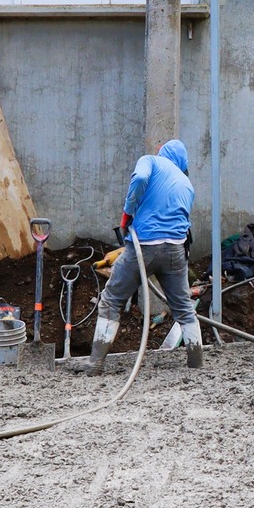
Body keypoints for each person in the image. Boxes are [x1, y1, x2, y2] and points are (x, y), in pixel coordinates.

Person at [85, 138, 201, 373]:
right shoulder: (187, 184)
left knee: (112, 299)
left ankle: (95, 364)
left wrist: (128, 213)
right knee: (183, 307)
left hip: (145, 247)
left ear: (162, 153)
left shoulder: (151, 161)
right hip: (176, 251)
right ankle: (196, 362)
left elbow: (139, 179)